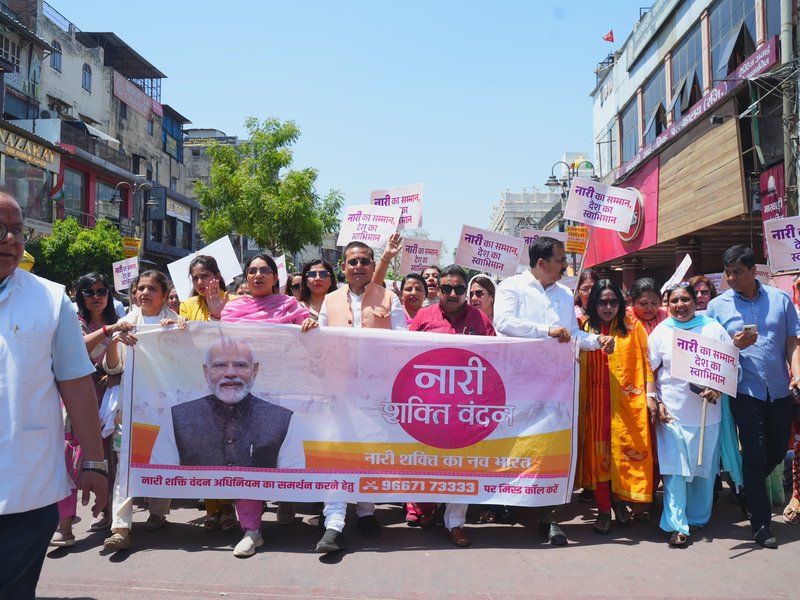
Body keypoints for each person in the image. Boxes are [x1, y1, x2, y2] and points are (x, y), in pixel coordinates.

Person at [0, 193, 107, 598]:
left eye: (18, 231)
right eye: (0, 230)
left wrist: (95, 461)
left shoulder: (49, 299)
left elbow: (77, 383)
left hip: (27, 492)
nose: (11, 240)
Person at [494, 236, 614, 545]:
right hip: (517, 382)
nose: (565, 265)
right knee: (516, 445)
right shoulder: (512, 287)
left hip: (557, 383)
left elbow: (571, 334)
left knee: (549, 448)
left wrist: (595, 342)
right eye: (561, 259)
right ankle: (511, 502)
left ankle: (549, 518)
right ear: (541, 263)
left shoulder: (564, 294)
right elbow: (504, 323)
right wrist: (545, 331)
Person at [301, 240, 407, 553]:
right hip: (339, 390)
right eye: (352, 262)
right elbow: (317, 342)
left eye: (364, 261)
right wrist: (309, 327)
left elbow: (404, 342)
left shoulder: (389, 298)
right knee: (337, 452)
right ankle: (333, 522)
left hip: (376, 392)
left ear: (373, 266)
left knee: (369, 452)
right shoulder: (330, 300)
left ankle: (366, 512)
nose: (358, 266)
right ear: (343, 268)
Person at [215, 253, 309, 557]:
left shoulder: (290, 306)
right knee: (245, 460)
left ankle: (286, 500)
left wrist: (311, 325)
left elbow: (311, 338)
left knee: (283, 454)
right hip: (244, 397)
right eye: (252, 271)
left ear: (275, 276)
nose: (257, 275)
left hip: (283, 394)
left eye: (264, 270)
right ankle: (252, 529)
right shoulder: (232, 309)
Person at [707, 245, 800, 549]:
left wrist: (796, 371)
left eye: (737, 272)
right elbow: (713, 352)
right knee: (756, 454)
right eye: (728, 272)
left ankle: (748, 486)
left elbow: (791, 342)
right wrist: (734, 346)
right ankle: (760, 524)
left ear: (752, 271)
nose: (731, 277)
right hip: (744, 391)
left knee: (774, 451)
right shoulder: (717, 307)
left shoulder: (780, 299)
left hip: (780, 390)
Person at [408, 265, 495, 547]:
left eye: (460, 288)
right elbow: (403, 353)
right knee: (428, 464)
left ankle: (455, 522)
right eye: (447, 288)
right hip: (429, 406)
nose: (454, 293)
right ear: (439, 290)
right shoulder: (424, 317)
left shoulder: (480, 320)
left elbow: (497, 357)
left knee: (461, 465)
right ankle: (434, 509)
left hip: (467, 408)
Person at [101, 270, 181, 553]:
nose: (144, 293)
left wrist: (178, 335)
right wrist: (115, 342)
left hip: (165, 406)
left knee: (163, 456)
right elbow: (112, 369)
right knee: (125, 463)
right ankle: (121, 528)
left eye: (151, 289)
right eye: (140, 289)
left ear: (164, 293)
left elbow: (186, 366)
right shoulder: (124, 324)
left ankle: (159, 511)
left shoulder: (178, 323)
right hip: (131, 406)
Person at [648, 283, 731, 546]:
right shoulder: (661, 332)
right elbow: (648, 370)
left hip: (707, 415)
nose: (679, 305)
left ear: (696, 302)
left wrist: (717, 387)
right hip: (671, 414)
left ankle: (696, 518)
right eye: (674, 301)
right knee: (674, 471)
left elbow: (730, 365)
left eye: (685, 299)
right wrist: (654, 399)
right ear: (667, 304)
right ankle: (676, 525)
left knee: (701, 470)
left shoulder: (712, 328)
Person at [577, 279, 655, 535]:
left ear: (620, 304)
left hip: (625, 407)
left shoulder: (632, 328)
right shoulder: (584, 327)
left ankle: (620, 502)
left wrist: (651, 397)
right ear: (594, 303)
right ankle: (602, 508)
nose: (608, 307)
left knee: (622, 457)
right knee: (600, 458)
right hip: (595, 408)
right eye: (602, 301)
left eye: (613, 301)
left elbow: (646, 364)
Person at [178, 254, 238, 532]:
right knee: (206, 446)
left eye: (205, 275)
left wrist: (217, 314)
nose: (201, 282)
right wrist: (172, 328)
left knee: (228, 445)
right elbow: (186, 342)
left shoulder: (235, 302)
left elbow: (238, 340)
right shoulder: (187, 305)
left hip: (229, 383)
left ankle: (229, 505)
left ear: (217, 275)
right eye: (196, 278)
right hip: (199, 383)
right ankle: (213, 508)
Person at [180, 255, 236, 322]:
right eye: (195, 278)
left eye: (204, 276)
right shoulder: (186, 306)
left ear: (217, 277)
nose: (199, 282)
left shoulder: (235, 302)